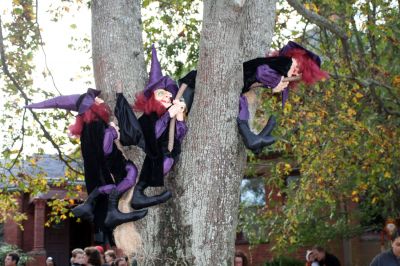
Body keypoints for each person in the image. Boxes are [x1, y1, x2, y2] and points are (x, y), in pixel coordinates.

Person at [25, 88, 148, 244]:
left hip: (106, 170)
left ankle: (94, 202)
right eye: (96, 100)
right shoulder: (96, 126)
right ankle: (100, 205)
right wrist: (112, 132)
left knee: (129, 174)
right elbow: (104, 148)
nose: (101, 100)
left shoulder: (88, 129)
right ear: (91, 107)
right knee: (130, 175)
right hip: (110, 169)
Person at [115, 45, 191, 209]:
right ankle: (139, 192)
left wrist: (178, 118)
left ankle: (139, 193)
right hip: (155, 151)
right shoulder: (147, 118)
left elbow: (180, 134)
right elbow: (153, 133)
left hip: (167, 152)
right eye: (163, 93)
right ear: (152, 98)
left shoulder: (169, 112)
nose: (169, 95)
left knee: (167, 161)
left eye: (169, 93)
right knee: (161, 161)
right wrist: (169, 115)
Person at [238, 41, 328, 154]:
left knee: (243, 107)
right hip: (239, 80)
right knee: (243, 106)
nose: (296, 73)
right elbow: (261, 72)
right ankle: (254, 141)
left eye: (299, 73)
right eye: (299, 68)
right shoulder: (287, 63)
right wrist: (276, 82)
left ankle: (255, 141)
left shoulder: (283, 68)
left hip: (241, 86)